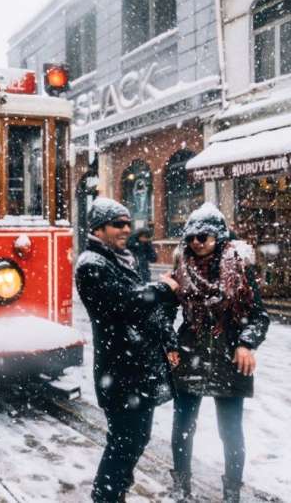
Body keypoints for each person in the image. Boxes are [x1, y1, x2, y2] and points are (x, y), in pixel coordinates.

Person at [74, 198, 179, 503]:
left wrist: (168, 338)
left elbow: (144, 311)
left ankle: (114, 492)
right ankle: (106, 496)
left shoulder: (123, 259)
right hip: (118, 370)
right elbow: (124, 303)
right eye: (117, 224)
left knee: (136, 438)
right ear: (98, 228)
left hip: (137, 368)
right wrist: (162, 290)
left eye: (127, 223)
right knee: (124, 440)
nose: (125, 229)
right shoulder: (91, 264)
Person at [168, 203, 269, 503]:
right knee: (183, 426)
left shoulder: (239, 268)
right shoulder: (180, 268)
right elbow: (163, 313)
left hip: (228, 355)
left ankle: (231, 492)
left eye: (204, 236)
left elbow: (259, 316)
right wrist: (170, 343)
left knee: (231, 431)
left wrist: (246, 343)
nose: (197, 242)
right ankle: (181, 486)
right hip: (190, 352)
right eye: (191, 237)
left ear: (219, 236)